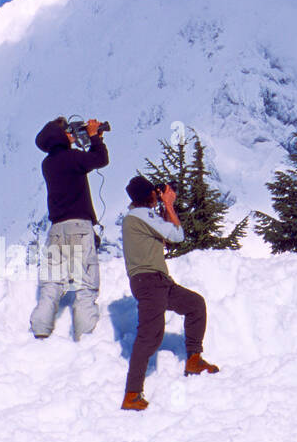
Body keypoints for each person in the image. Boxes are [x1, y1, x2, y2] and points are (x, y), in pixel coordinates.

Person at [120, 176, 218, 410]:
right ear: (148, 196)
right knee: (150, 335)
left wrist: (163, 205)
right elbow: (177, 236)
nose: (157, 194)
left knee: (195, 304)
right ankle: (132, 393)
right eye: (154, 192)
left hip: (157, 281)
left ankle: (193, 360)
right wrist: (170, 204)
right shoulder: (141, 215)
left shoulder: (140, 216)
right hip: (150, 282)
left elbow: (164, 232)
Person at [29, 117, 109, 341]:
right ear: (59, 136)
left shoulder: (48, 163)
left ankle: (40, 329)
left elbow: (78, 161)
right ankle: (86, 335)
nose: (71, 134)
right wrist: (94, 136)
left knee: (51, 282)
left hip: (56, 230)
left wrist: (88, 139)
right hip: (79, 227)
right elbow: (100, 159)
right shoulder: (72, 158)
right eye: (67, 132)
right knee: (85, 282)